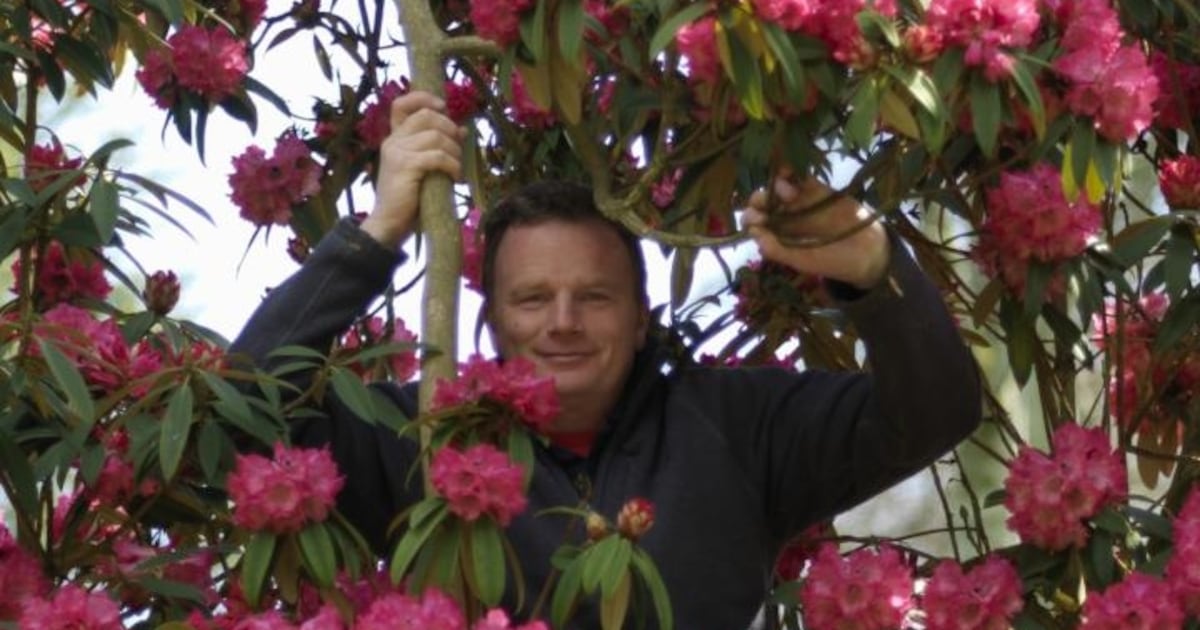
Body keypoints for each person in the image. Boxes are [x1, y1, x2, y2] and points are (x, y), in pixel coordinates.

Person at [229, 91, 982, 628]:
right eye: (533, 299)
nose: (563, 322)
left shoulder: (738, 425)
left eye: (594, 296)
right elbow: (241, 415)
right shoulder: (418, 435)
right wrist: (376, 234)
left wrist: (874, 269)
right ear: (491, 321)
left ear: (640, 318)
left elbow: (937, 411)